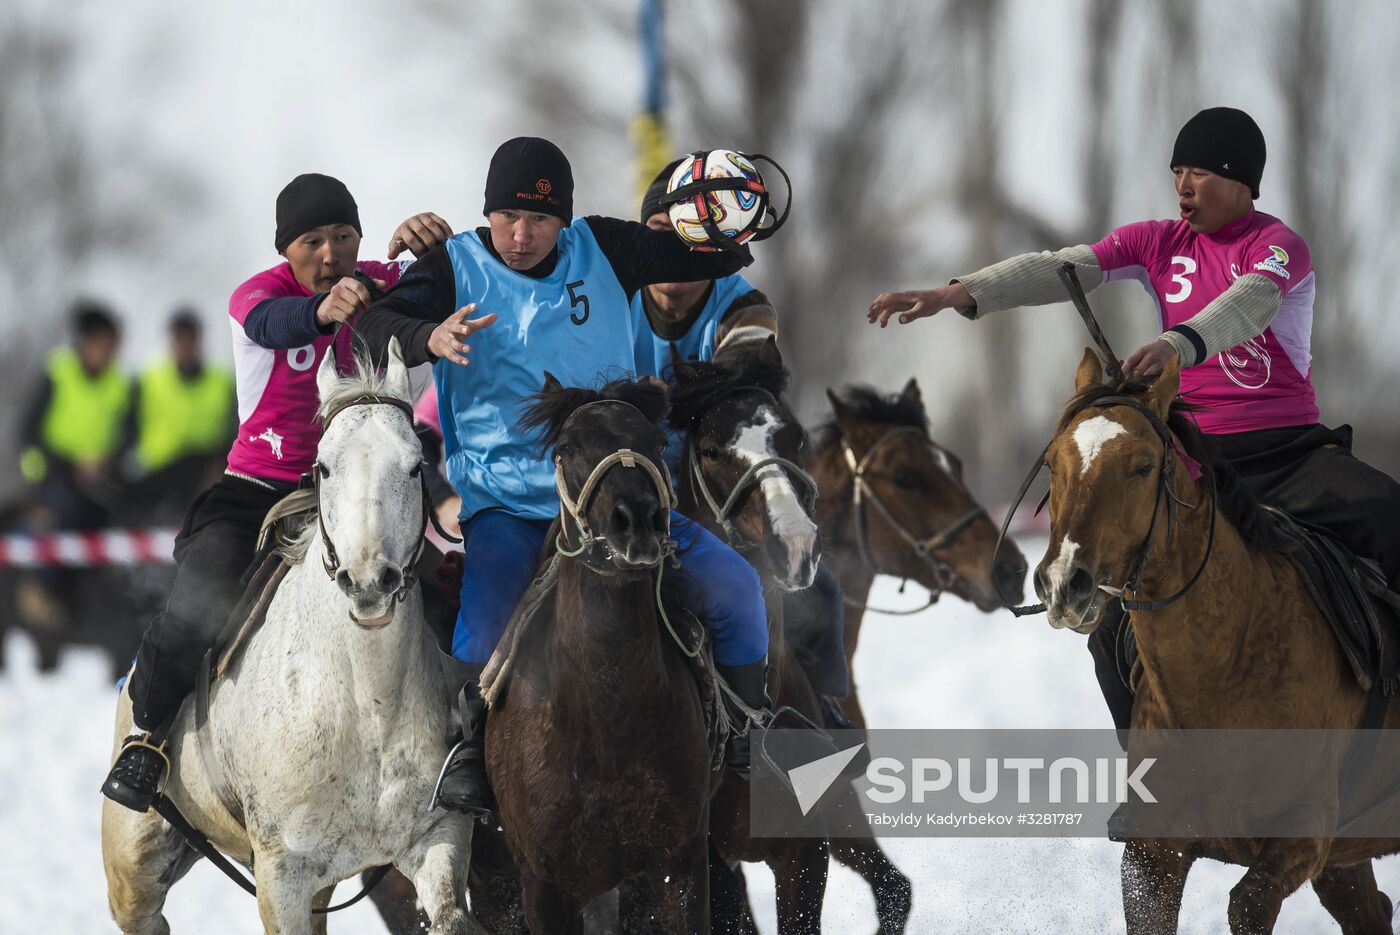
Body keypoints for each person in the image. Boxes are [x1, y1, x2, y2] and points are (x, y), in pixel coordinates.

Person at [866, 106, 1400, 735]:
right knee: (1110, 627)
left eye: (1200, 171)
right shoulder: (1155, 242)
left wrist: (1179, 343)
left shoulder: (1278, 247)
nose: (1183, 185)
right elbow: (1061, 266)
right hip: (1195, 463)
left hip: (1290, 454)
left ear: (1243, 181)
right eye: (1178, 171)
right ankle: (1147, 774)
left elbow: (1249, 306)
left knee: (1388, 513)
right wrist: (958, 292)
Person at [355, 137, 780, 817]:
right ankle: (470, 751)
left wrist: (727, 219)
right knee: (483, 625)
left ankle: (748, 735)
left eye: (540, 221)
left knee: (737, 589)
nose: (521, 236)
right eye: (506, 218)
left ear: (566, 220)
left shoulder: (604, 248)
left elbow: (697, 255)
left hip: (615, 494)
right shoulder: (453, 264)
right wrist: (426, 336)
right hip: (510, 504)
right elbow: (369, 327)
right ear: (486, 213)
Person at [102, 173, 454, 812]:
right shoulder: (257, 297)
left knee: (444, 590)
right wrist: (324, 310)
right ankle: (147, 737)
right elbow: (276, 322)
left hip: (352, 494)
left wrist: (426, 248)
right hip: (257, 493)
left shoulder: (377, 279)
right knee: (198, 599)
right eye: (311, 242)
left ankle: (464, 744)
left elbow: (436, 282)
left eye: (344, 237)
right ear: (285, 251)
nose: (330, 255)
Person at [634, 160, 854, 727]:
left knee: (819, 591)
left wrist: (642, 397)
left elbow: (730, 399)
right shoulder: (609, 296)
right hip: (628, 480)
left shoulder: (746, 305)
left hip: (718, 481)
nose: (674, 253)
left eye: (691, 240)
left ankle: (823, 710)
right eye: (661, 237)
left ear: (713, 246)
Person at [17, 301, 131, 625]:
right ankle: (41, 588)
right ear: (88, 340)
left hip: (99, 475)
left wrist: (106, 461)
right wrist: (65, 468)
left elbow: (126, 434)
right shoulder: (57, 372)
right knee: (64, 512)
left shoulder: (118, 383)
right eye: (107, 343)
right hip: (53, 471)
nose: (112, 351)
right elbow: (28, 433)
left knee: (121, 511)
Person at [130, 310, 236, 517]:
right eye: (180, 339)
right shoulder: (148, 380)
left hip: (205, 472)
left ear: (199, 340)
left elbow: (234, 429)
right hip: (158, 472)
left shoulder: (221, 382)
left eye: (190, 339)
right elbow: (128, 429)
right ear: (171, 341)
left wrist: (219, 464)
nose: (185, 346)